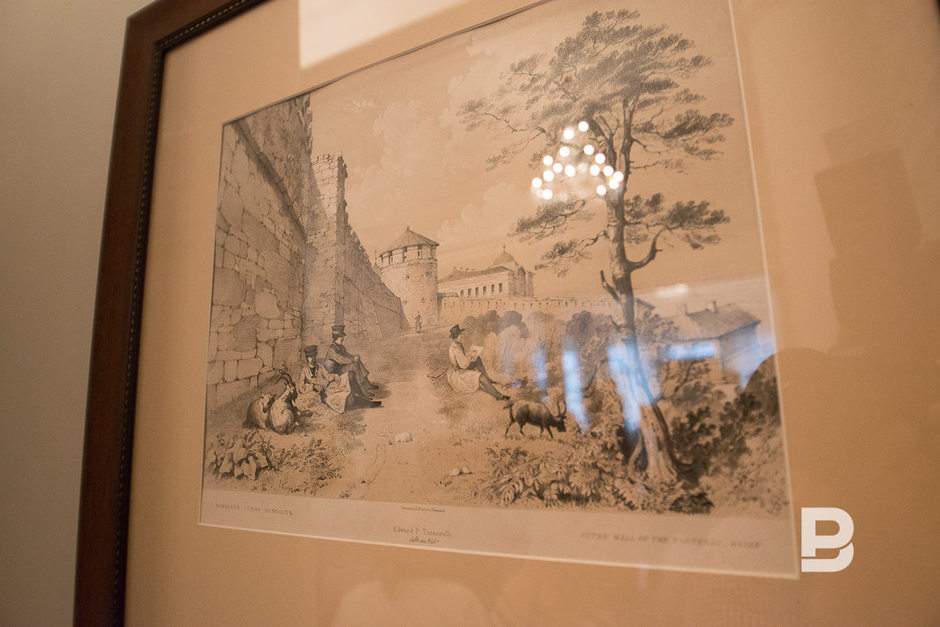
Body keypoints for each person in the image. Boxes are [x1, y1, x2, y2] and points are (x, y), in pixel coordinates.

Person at [446, 324, 509, 401]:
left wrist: (471, 356)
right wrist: (471, 356)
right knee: (480, 377)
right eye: (459, 335)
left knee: (477, 359)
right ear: (455, 336)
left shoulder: (456, 344)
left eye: (460, 334)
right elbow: (464, 365)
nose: (461, 336)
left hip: (461, 367)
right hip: (459, 374)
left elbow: (462, 359)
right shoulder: (456, 349)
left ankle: (488, 379)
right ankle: (499, 396)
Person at [322, 325, 380, 406]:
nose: (343, 338)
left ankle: (367, 383)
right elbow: (341, 360)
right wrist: (353, 359)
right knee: (354, 365)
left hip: (339, 369)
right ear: (337, 337)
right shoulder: (332, 350)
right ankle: (363, 390)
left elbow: (347, 355)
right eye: (341, 337)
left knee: (357, 361)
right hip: (333, 374)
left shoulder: (340, 347)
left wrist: (354, 357)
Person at [298, 345, 352, 413]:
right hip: (312, 393)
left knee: (339, 389)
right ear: (307, 358)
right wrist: (313, 387)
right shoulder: (304, 371)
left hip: (323, 391)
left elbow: (327, 376)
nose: (312, 359)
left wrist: (334, 376)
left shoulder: (320, 367)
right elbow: (301, 388)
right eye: (310, 357)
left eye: (314, 356)